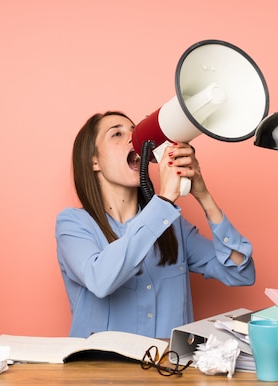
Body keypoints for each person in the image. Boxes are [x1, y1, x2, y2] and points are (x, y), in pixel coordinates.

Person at [55, 111, 255, 338]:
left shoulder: (173, 227)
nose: (132, 137)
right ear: (94, 161)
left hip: (167, 370)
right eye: (117, 134)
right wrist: (164, 200)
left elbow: (241, 272)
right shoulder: (73, 224)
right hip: (102, 372)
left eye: (134, 130)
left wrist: (204, 195)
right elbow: (101, 280)